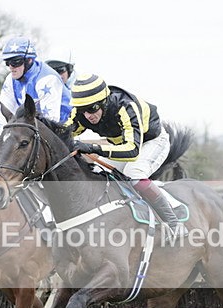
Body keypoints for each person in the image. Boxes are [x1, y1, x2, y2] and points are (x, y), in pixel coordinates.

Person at [66, 73, 186, 240]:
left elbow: (132, 150)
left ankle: (174, 222)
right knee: (96, 171)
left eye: (92, 109)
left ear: (104, 102)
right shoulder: (82, 113)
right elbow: (62, 133)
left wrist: (91, 147)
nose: (88, 115)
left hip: (151, 142)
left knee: (134, 174)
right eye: (83, 110)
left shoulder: (125, 107)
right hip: (122, 144)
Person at [0, 36, 73, 136]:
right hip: (34, 128)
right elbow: (4, 112)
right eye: (8, 62)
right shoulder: (10, 79)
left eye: (15, 62)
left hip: (65, 130)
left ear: (29, 60)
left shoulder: (47, 79)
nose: (11, 67)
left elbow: (50, 121)